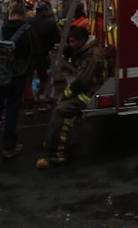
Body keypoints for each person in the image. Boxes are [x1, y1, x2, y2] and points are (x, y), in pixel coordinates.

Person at [36, 25, 105, 169]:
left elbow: (82, 82)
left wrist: (66, 95)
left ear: (82, 41)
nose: (70, 44)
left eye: (72, 42)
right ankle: (53, 142)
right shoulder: (87, 49)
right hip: (90, 88)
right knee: (59, 108)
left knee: (62, 110)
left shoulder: (91, 56)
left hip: (92, 92)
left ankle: (56, 155)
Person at [0, 4, 36, 159]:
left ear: (11, 14)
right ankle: (9, 146)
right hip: (17, 75)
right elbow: (34, 52)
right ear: (24, 15)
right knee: (12, 109)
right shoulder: (27, 31)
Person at [30, 0, 60, 111]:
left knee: (28, 77)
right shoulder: (50, 23)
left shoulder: (29, 22)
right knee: (44, 77)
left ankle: (29, 100)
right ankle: (42, 97)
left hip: (30, 54)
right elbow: (56, 40)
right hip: (44, 54)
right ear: (45, 11)